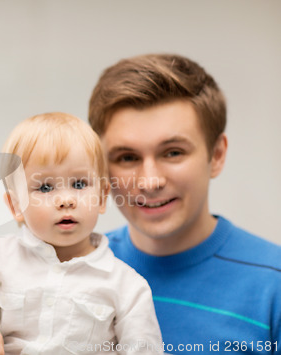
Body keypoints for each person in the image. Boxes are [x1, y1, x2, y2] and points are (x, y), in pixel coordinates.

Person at [88, 54, 281, 354]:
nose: (150, 182)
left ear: (216, 155)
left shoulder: (274, 285)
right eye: (127, 158)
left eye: (173, 153)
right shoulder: (74, 270)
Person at [0, 113, 163, 355]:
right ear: (16, 206)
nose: (66, 200)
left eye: (79, 184)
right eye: (45, 187)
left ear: (102, 197)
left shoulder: (127, 286)